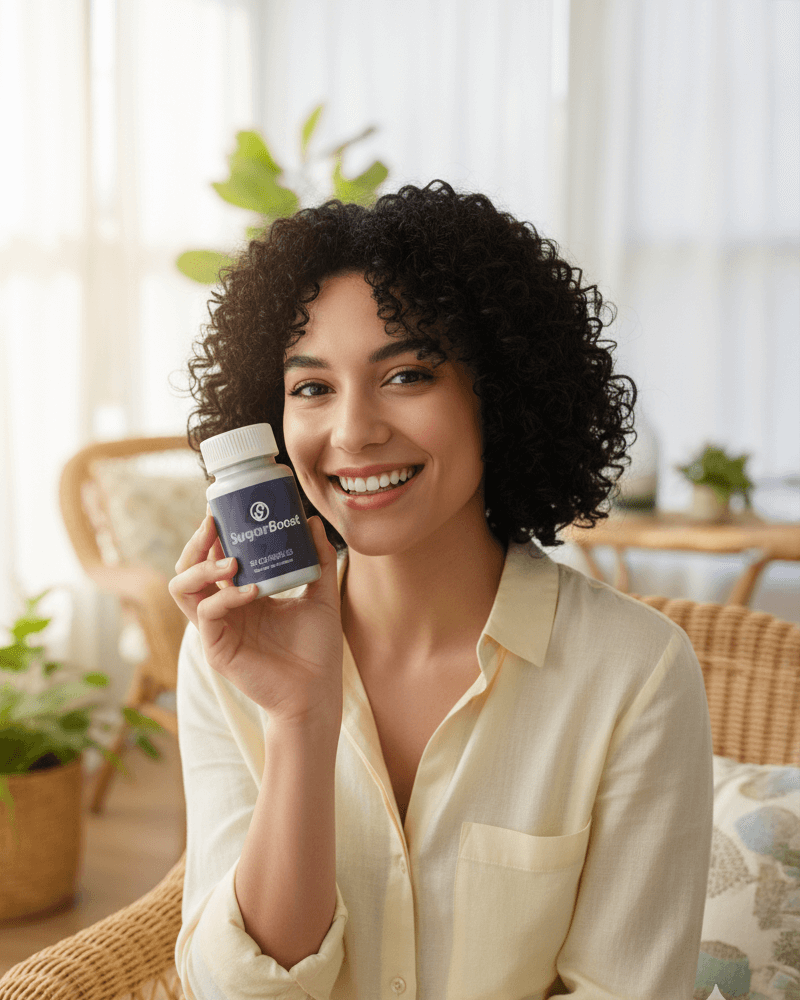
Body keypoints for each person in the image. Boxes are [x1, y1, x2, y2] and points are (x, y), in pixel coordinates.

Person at [169, 180, 713, 999]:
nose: (353, 432)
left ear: (498, 393)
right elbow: (236, 991)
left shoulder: (635, 674)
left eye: (408, 375)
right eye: (312, 388)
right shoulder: (229, 652)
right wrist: (299, 718)